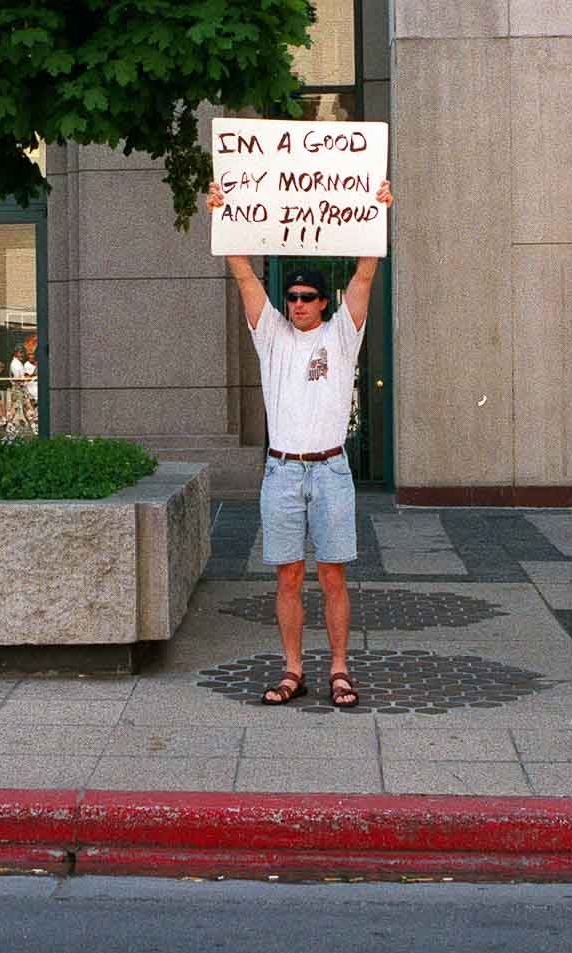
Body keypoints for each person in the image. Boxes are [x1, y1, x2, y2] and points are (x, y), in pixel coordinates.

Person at [207, 179, 392, 709]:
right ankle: (293, 669)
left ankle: (338, 668)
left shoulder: (342, 334)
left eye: (308, 297)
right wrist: (220, 214)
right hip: (282, 471)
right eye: (292, 296)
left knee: (333, 575)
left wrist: (376, 214)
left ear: (323, 302)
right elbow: (242, 272)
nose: (298, 303)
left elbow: (364, 273)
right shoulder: (271, 336)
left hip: (330, 470)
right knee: (288, 577)